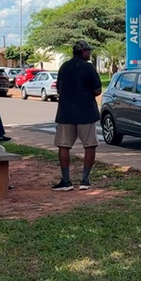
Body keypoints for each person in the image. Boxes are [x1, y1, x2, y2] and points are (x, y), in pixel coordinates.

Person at [52, 40, 103, 191]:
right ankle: (85, 180)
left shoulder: (64, 67)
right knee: (90, 145)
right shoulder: (88, 68)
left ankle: (66, 181)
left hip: (65, 112)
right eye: (88, 51)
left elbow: (59, 89)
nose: (90, 53)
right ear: (83, 52)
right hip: (86, 112)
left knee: (63, 145)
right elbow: (98, 90)